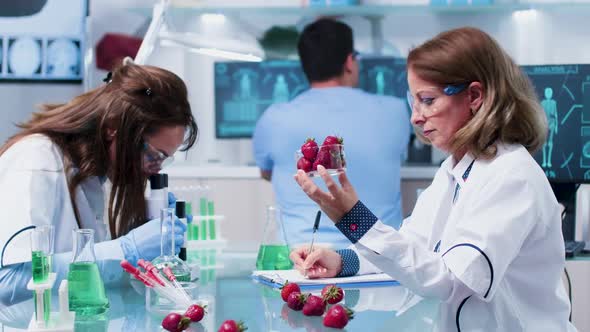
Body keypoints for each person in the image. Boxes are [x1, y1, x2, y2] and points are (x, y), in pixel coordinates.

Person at [291, 27, 575, 331]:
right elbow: (411, 251)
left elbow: (450, 280)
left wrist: (353, 218)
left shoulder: (512, 177)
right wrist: (341, 261)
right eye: (413, 101)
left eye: (427, 100)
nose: (415, 117)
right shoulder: (456, 169)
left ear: (475, 96)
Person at [0, 59, 198, 305]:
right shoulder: (37, 159)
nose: (154, 169)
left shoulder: (92, 175)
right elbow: (7, 282)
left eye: (164, 160)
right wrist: (127, 250)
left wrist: (141, 233)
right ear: (113, 128)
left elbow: (82, 272)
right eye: (153, 155)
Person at [253, 18, 409, 248]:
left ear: (305, 67)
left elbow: (267, 173)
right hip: (380, 258)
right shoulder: (396, 111)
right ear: (349, 62)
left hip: (302, 260)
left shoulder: (273, 117)